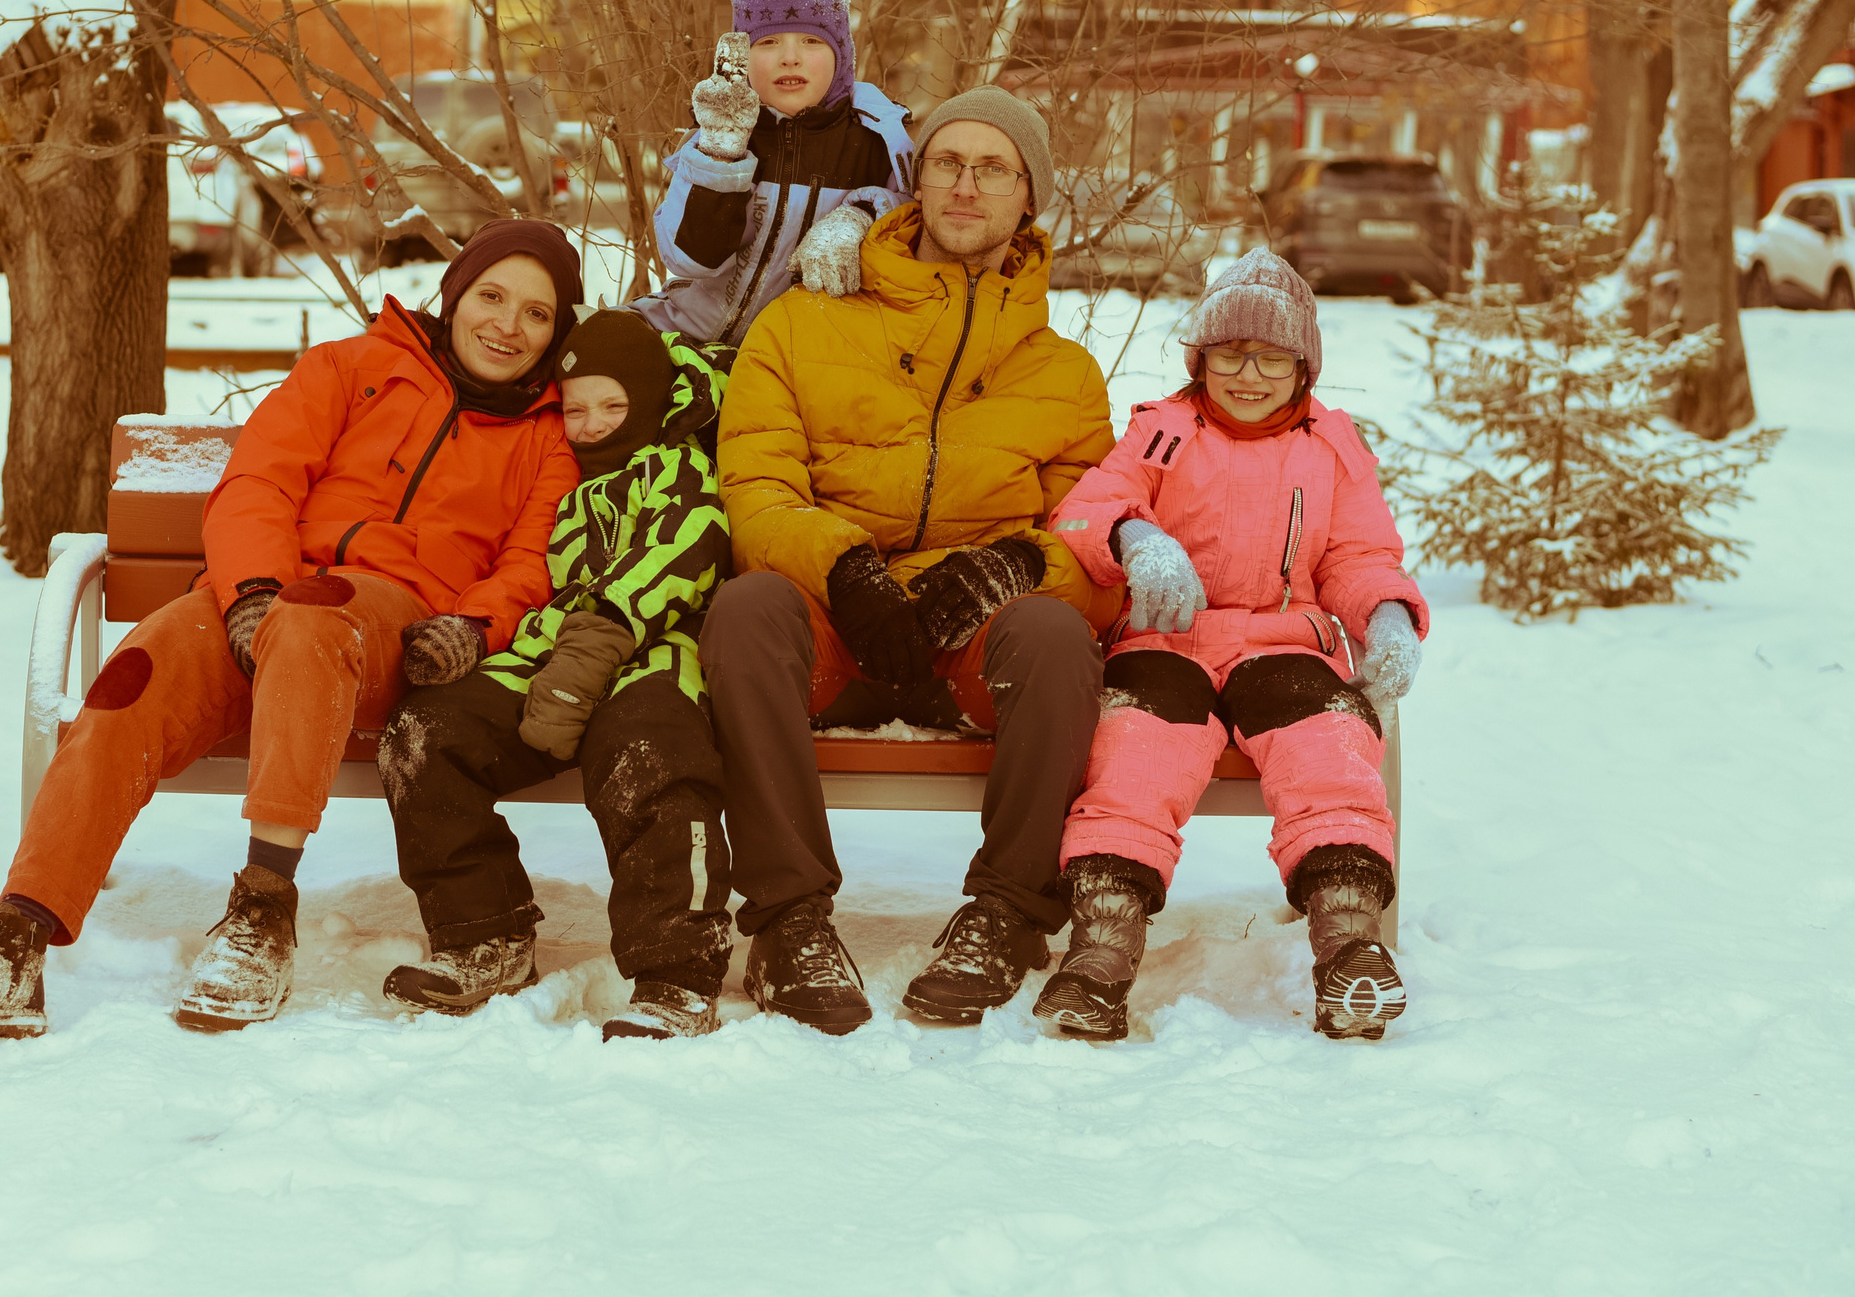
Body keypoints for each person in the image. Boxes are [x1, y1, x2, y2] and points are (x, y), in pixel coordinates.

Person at [0, 222, 585, 1040]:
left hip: (387, 629)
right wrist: (251, 587)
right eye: (492, 296)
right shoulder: (349, 369)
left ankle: (262, 911)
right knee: (131, 675)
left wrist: (472, 622)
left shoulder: (546, 436)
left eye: (537, 314)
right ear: (455, 295)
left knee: (316, 619)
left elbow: (533, 561)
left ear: (557, 330)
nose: (507, 325)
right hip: (260, 596)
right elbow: (259, 479)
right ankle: (14, 937)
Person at [700, 86, 1121, 1034]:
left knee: (1055, 631)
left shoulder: (1063, 373)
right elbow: (755, 490)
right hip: (837, 628)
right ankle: (788, 919)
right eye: (947, 161)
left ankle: (1008, 913)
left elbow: (1096, 537)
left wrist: (1012, 569)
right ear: (916, 179)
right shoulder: (803, 324)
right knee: (744, 610)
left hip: (970, 646)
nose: (966, 184)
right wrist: (848, 571)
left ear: (1029, 199)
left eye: (994, 168)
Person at [1037, 248, 1428, 1043]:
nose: (1249, 374)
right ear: (1201, 357)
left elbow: (1359, 554)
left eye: (1272, 356)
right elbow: (1086, 509)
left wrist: (1385, 612)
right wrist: (1136, 536)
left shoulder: (1333, 447)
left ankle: (1349, 940)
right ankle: (1102, 950)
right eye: (1230, 352)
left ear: (1304, 365)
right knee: (1135, 750)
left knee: (1328, 744)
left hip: (1287, 645)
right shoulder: (1162, 431)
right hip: (1166, 642)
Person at [377, 311, 738, 1040]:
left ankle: (677, 967)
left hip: (655, 650)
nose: (594, 425)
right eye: (576, 409)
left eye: (614, 405)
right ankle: (484, 931)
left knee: (653, 752)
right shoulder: (566, 480)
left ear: (651, 401)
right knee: (425, 733)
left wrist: (598, 640)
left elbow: (691, 543)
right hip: (549, 649)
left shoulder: (679, 466)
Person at [634, 0, 913, 346]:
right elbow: (689, 261)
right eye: (767, 42)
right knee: (593, 348)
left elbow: (913, 227)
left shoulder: (877, 139)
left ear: (842, 55)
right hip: (687, 330)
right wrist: (720, 159)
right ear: (743, 54)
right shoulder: (718, 130)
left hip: (802, 355)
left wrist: (862, 215)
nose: (789, 57)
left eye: (810, 41)